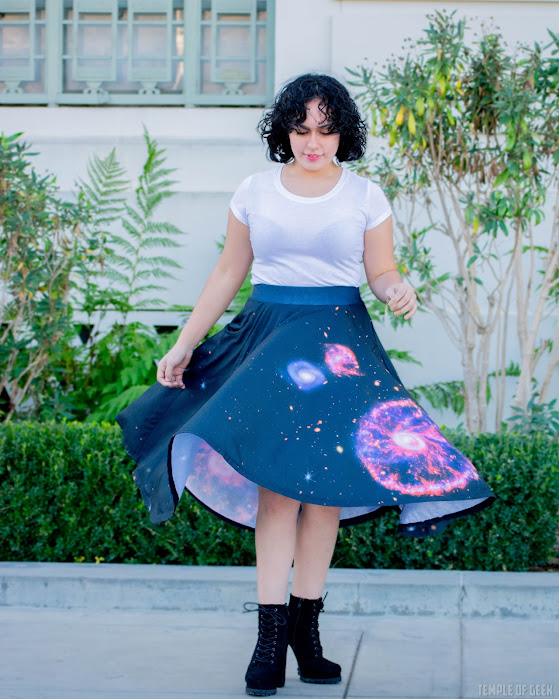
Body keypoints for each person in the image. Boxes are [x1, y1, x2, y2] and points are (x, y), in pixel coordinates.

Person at [115, 73, 496, 697]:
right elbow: (228, 271)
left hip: (340, 347)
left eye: (325, 129)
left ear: (342, 132)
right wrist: (184, 342)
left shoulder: (365, 195)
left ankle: (306, 631)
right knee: (278, 491)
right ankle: (269, 639)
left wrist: (396, 288)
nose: (312, 143)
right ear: (283, 130)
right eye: (300, 129)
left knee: (325, 495)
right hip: (269, 343)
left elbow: (381, 270)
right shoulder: (255, 191)